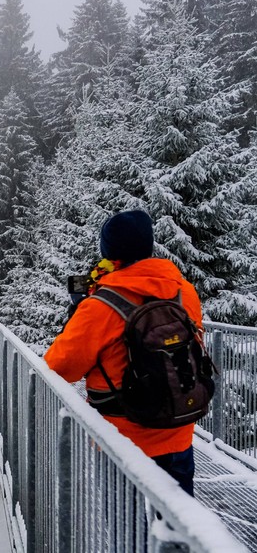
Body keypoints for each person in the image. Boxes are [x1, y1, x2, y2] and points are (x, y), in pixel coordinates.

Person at [44, 210, 203, 496]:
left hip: (125, 441)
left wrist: (80, 311)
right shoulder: (184, 292)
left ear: (111, 255)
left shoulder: (101, 305)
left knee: (130, 537)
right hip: (178, 431)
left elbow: (60, 367)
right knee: (178, 529)